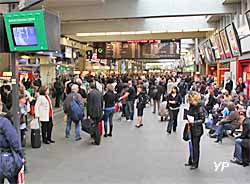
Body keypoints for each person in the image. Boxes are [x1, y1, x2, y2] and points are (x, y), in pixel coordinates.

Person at [184, 91, 205, 170]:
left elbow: (202, 119)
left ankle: (195, 163)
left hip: (197, 130)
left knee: (195, 146)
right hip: (192, 128)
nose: (189, 101)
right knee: (192, 144)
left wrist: (193, 122)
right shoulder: (192, 106)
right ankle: (191, 160)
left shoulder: (199, 108)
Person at [0, 115, 24, 184]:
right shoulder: (4, 122)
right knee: (14, 180)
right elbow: (14, 140)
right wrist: (20, 155)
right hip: (6, 159)